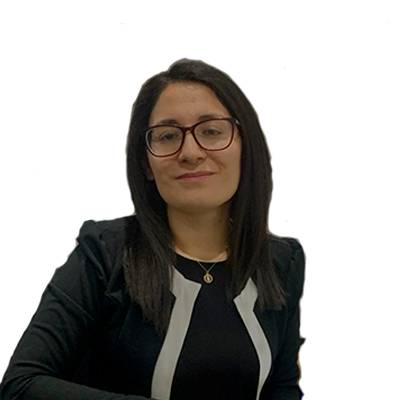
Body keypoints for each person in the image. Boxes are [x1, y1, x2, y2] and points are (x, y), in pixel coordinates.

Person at [0, 58, 306, 400]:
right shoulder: (105, 255)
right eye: (167, 136)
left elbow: (281, 388)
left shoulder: (283, 262)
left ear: (245, 148)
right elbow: (21, 385)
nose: (190, 152)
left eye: (211, 131)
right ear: (146, 163)